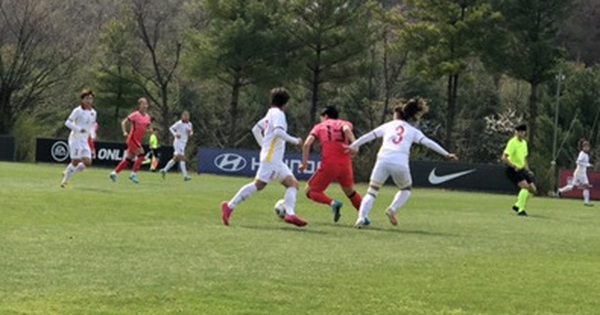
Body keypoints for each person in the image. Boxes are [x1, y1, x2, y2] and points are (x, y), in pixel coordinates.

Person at [347, 99, 457, 228]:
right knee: (406, 189)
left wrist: (353, 145)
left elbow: (369, 136)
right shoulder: (412, 131)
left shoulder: (388, 125)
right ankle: (392, 209)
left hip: (383, 159)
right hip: (400, 162)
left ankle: (361, 218)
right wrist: (446, 154)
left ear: (397, 115)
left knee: (372, 191)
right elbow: (428, 142)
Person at [220, 87, 308, 227]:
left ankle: (290, 214)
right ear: (285, 103)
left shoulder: (270, 113)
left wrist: (264, 146)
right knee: (259, 185)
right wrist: (296, 141)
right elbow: (279, 132)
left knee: (293, 184)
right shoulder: (278, 114)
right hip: (272, 157)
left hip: (275, 158)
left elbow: (256, 129)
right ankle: (229, 206)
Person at [299, 105, 362, 222]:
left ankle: (333, 203)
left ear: (325, 116)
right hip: (345, 164)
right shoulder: (344, 122)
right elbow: (346, 130)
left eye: (321, 117)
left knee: (310, 191)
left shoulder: (319, 127)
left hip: (329, 164)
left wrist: (305, 163)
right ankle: (364, 216)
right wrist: (354, 145)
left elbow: (307, 144)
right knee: (350, 192)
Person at [109, 97, 152, 184]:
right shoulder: (135, 115)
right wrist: (125, 132)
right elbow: (124, 122)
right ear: (139, 105)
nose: (144, 105)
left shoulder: (147, 117)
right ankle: (133, 174)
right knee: (141, 155)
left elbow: (147, 127)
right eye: (142, 104)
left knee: (129, 159)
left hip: (138, 140)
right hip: (132, 139)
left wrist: (149, 131)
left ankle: (114, 173)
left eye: (146, 104)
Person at [60, 89, 97, 187]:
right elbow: (67, 122)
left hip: (84, 140)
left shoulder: (93, 112)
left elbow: (92, 125)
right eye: (86, 98)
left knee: (88, 162)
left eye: (90, 99)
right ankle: (65, 181)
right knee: (75, 161)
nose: (89, 101)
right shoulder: (78, 110)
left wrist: (92, 134)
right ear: (82, 99)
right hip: (75, 138)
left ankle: (67, 171)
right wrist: (79, 129)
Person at [502, 124, 537, 216]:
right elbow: (504, 158)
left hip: (521, 169)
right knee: (525, 187)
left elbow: (524, 158)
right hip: (513, 169)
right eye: (518, 132)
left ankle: (517, 204)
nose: (520, 133)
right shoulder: (512, 142)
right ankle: (521, 210)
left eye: (522, 132)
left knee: (533, 190)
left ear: (525, 133)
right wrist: (514, 166)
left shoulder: (524, 143)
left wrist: (528, 170)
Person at [558, 139, 594, 206]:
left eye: (588, 147)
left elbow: (585, 163)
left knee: (582, 186)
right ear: (583, 147)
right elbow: (578, 162)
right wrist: (587, 165)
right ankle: (560, 190)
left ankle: (586, 202)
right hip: (579, 173)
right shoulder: (582, 154)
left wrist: (589, 164)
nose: (587, 148)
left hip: (583, 173)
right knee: (579, 186)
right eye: (585, 147)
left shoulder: (586, 155)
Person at [160, 111, 193, 181]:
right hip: (178, 143)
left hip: (183, 143)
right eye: (184, 116)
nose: (186, 117)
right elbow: (171, 128)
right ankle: (185, 176)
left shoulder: (189, 124)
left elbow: (191, 132)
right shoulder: (179, 123)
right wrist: (175, 134)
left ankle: (164, 170)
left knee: (175, 159)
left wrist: (190, 133)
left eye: (187, 116)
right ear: (182, 116)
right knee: (182, 158)